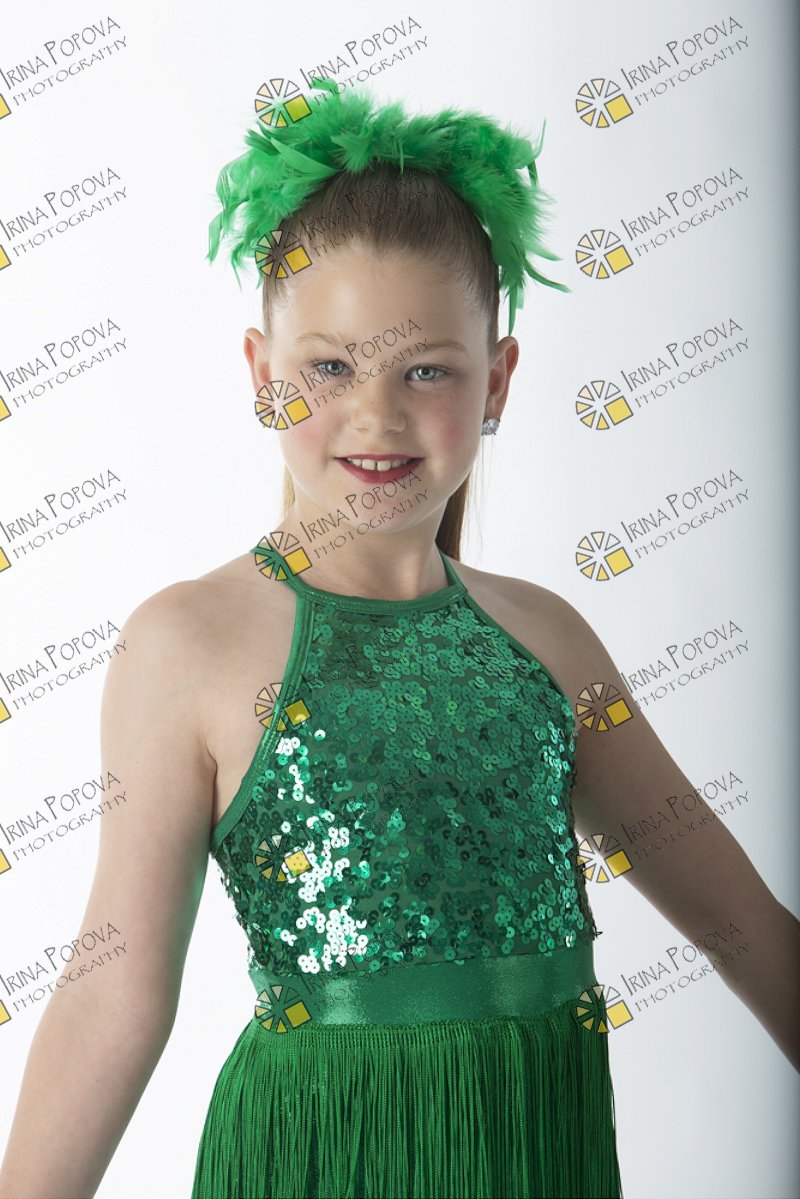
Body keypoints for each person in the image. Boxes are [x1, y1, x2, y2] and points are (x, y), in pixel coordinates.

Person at [1, 77, 797, 1199]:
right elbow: (112, 994)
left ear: (497, 381)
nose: (376, 414)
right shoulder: (187, 642)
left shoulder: (549, 640)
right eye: (329, 367)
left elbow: (741, 922)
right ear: (263, 377)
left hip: (538, 1154)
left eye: (426, 369)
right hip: (316, 1153)